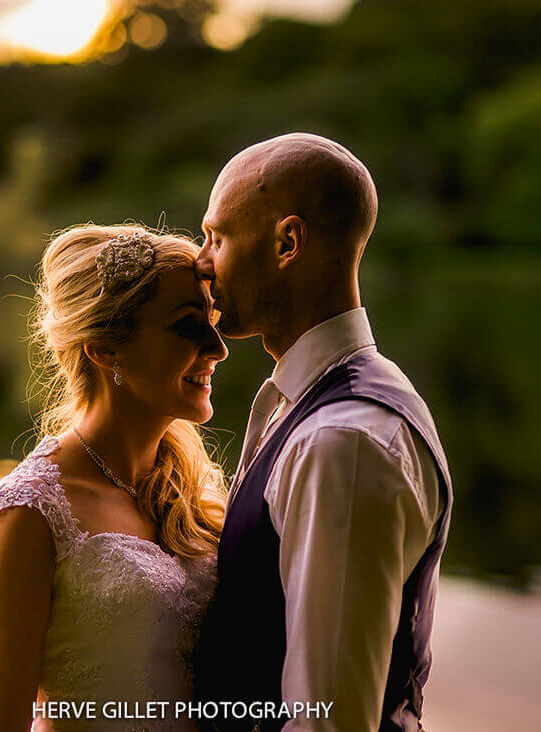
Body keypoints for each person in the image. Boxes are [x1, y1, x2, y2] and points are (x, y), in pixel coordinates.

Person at [192, 133, 453, 732]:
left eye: (217, 237)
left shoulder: (342, 443)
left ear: (287, 243)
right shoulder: (324, 403)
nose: (200, 262)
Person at [0, 224, 229, 732]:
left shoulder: (196, 493)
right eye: (188, 326)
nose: (217, 349)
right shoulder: (29, 513)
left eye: (213, 322)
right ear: (108, 351)